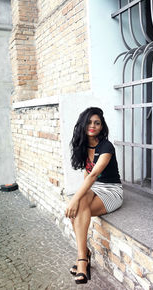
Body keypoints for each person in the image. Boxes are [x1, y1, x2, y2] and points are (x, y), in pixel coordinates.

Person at [65, 107, 123, 284]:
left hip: (112, 191)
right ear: (83, 125)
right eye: (89, 122)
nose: (93, 125)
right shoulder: (83, 146)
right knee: (80, 203)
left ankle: (82, 259)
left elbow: (92, 175)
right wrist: (79, 197)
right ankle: (85, 255)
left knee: (77, 204)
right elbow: (86, 176)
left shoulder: (106, 146)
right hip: (96, 188)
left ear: (101, 126)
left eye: (97, 123)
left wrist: (74, 199)